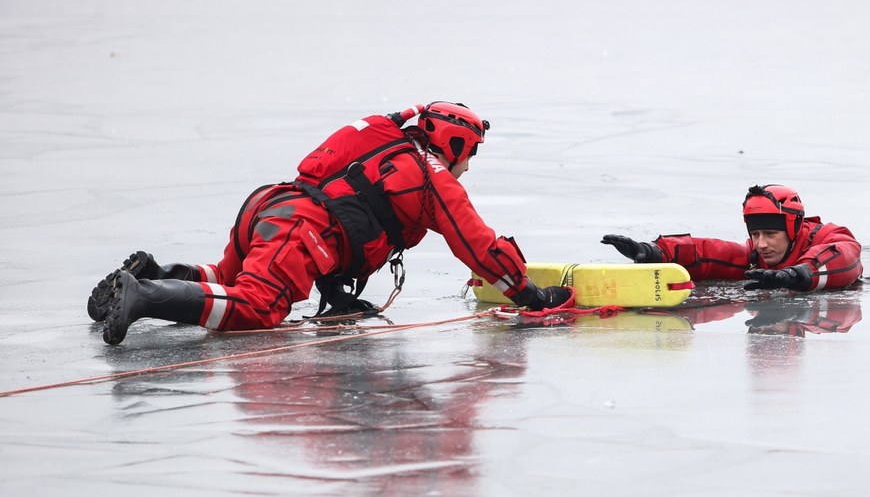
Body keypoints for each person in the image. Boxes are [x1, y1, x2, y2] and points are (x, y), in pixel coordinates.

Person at [88, 101, 571, 345]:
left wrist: (335, 291)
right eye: (472, 154)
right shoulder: (431, 179)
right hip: (302, 231)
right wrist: (532, 296)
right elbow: (478, 246)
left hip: (270, 206)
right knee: (257, 307)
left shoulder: (382, 136)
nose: (469, 166)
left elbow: (350, 201)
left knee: (227, 277)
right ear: (456, 144)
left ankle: (157, 272)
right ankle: (143, 295)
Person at [600, 184, 863, 291]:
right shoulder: (755, 256)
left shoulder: (827, 237)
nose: (761, 244)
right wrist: (654, 252)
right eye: (755, 234)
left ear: (793, 229)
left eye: (771, 234)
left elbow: (846, 255)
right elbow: (711, 254)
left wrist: (797, 275)